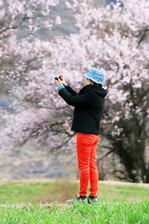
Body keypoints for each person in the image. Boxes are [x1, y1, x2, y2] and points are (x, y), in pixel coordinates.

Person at [55, 68, 107, 204]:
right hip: (94, 135)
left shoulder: (91, 95)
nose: (86, 80)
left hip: (85, 135)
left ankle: (82, 197)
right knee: (92, 166)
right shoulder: (97, 94)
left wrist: (61, 89)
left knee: (83, 166)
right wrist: (65, 85)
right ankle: (93, 196)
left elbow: (72, 100)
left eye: (88, 78)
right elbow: (78, 98)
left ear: (91, 80)